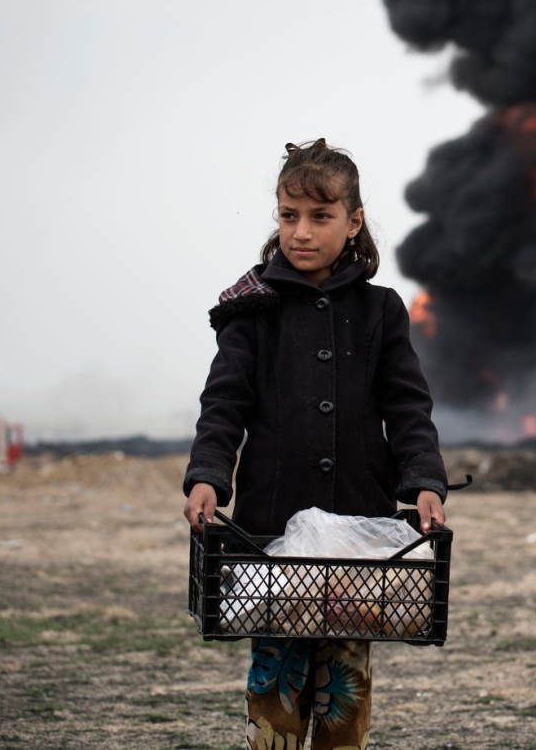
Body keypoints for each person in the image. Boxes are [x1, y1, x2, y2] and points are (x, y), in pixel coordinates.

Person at [182, 139, 448, 750]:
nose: (301, 232)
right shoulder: (251, 310)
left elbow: (408, 406)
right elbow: (224, 405)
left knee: (343, 708)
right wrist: (207, 475)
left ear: (353, 222)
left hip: (359, 536)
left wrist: (425, 482)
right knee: (273, 707)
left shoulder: (381, 311)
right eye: (288, 215)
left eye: (320, 216)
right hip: (270, 534)